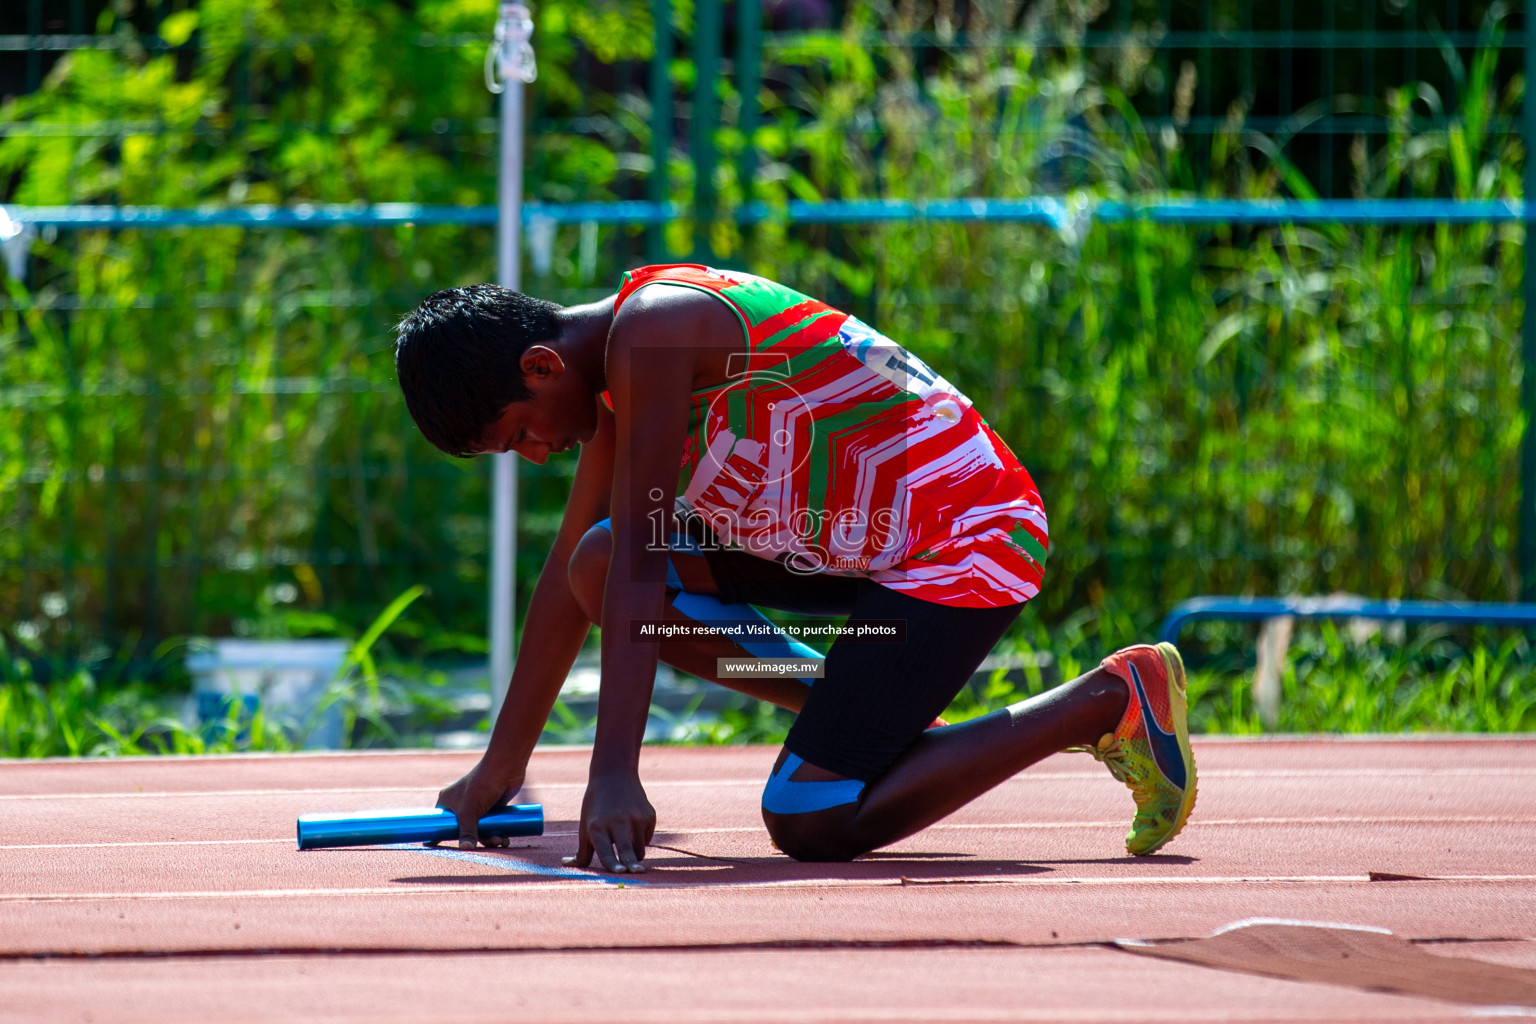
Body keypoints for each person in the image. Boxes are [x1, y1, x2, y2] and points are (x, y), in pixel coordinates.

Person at [394, 264, 1196, 872]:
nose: (535, 455)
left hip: (965, 540)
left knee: (811, 816)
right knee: (591, 561)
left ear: (540, 368)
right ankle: (860, 716)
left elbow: (645, 559)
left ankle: (1106, 699)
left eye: (519, 435)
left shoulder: (656, 332)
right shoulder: (606, 378)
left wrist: (613, 777)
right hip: (851, 548)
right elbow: (578, 578)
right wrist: (498, 770)